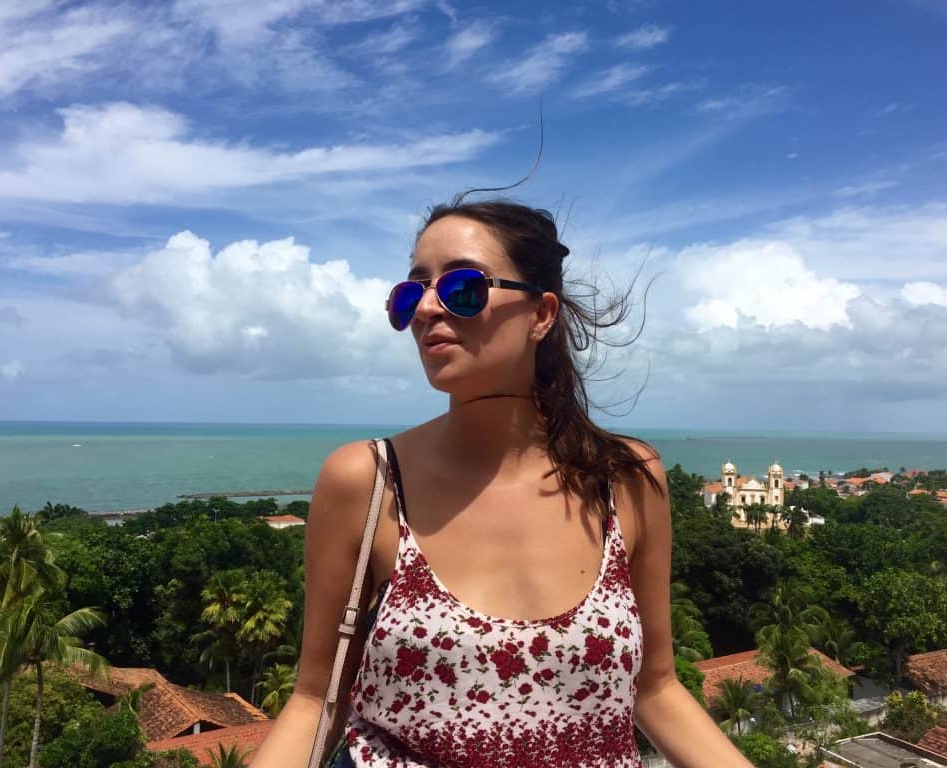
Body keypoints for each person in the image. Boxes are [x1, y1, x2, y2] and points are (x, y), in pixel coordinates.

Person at [252, 199, 753, 767]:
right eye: (412, 292)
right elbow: (317, 699)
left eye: (463, 286)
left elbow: (656, 688)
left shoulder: (625, 480)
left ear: (541, 314)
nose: (428, 309)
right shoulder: (368, 482)